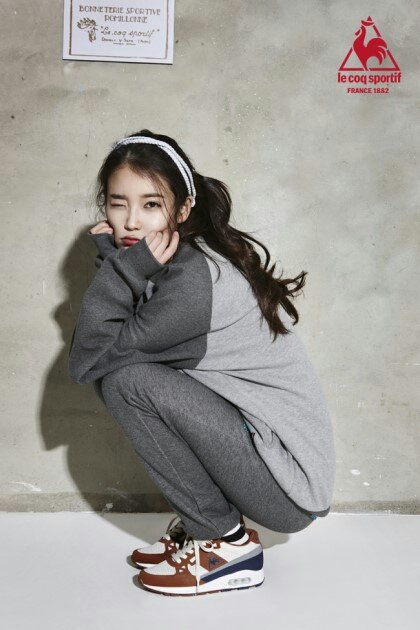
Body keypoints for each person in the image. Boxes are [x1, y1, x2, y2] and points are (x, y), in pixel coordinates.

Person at [68, 129, 336, 597]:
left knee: (127, 382)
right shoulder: (180, 258)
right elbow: (115, 338)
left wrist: (119, 268)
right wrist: (122, 264)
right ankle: (202, 524)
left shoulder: (194, 283)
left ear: (183, 209)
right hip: (266, 458)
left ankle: (223, 543)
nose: (131, 222)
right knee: (130, 375)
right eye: (117, 203)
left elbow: (89, 360)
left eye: (151, 205)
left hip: (287, 488)